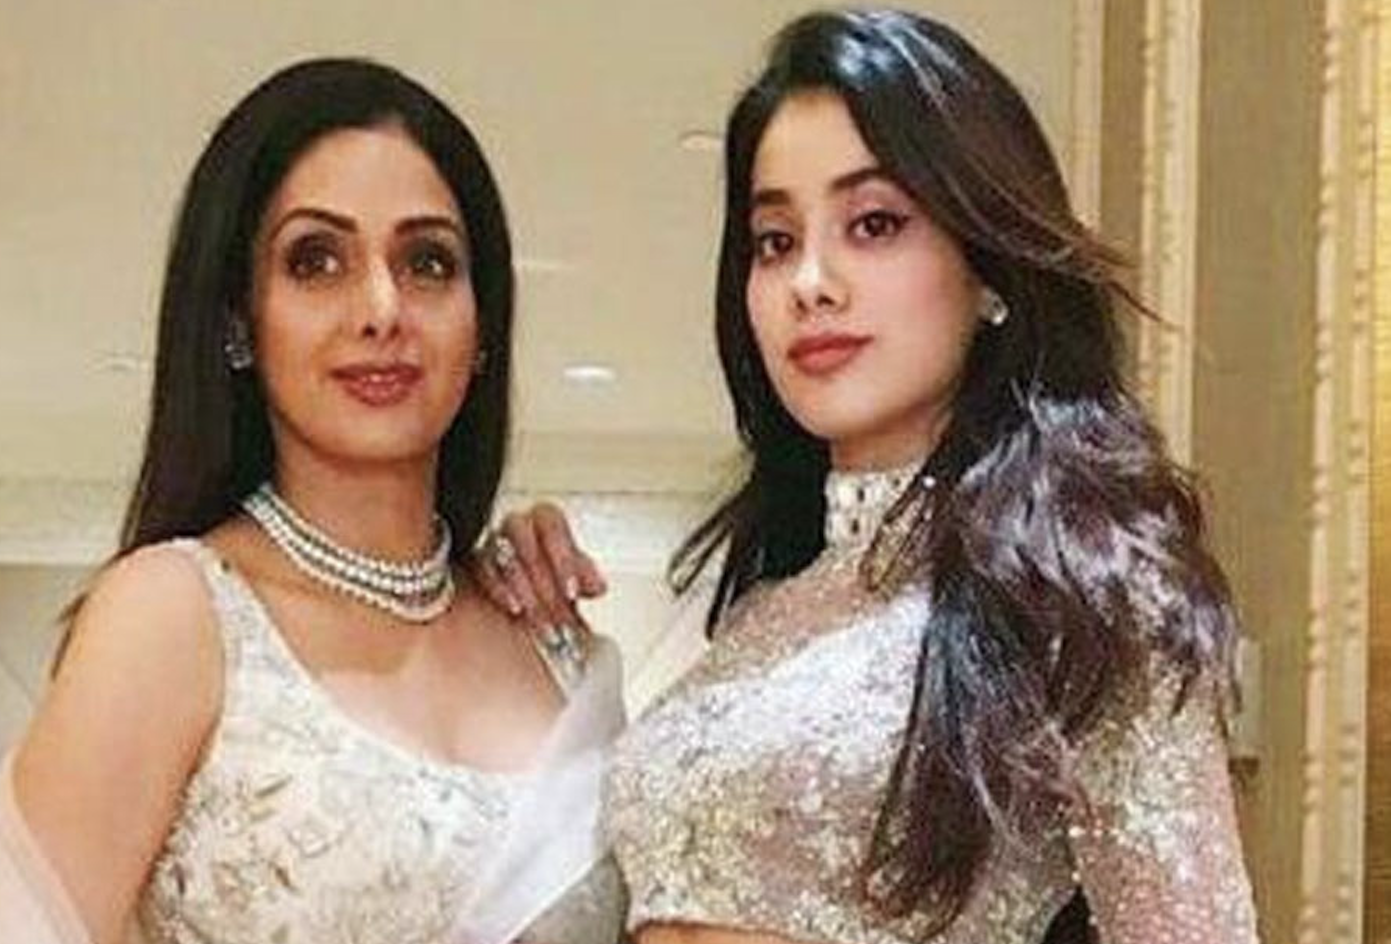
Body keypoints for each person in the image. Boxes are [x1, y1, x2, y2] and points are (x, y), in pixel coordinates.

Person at [482, 10, 1259, 944]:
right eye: (775, 240)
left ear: (988, 271)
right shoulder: (760, 610)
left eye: (874, 224)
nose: (810, 281)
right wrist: (537, 630)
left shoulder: (1083, 599)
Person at [0, 57, 624, 944]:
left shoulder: (547, 638)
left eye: (427, 262)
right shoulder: (173, 615)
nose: (382, 308)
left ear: (483, 328)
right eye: (316, 261)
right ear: (238, 321)